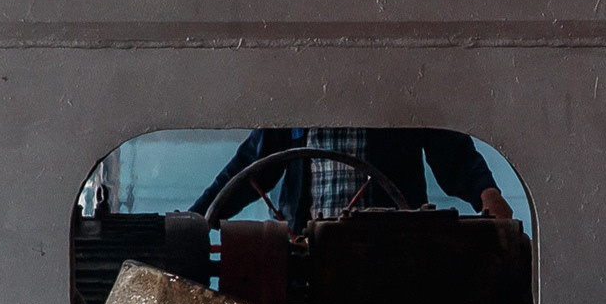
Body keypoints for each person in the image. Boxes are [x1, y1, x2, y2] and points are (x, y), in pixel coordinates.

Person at [191, 127, 514, 225]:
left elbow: (451, 149)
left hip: (392, 254)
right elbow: (253, 165)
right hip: (310, 259)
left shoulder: (400, 91)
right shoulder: (295, 97)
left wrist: (487, 193)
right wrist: (201, 215)